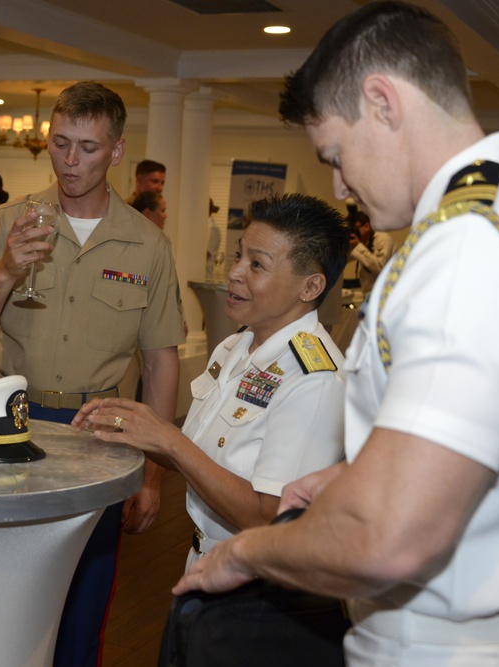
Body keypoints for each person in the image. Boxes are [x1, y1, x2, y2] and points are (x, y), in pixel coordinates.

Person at [174, 3, 499, 665]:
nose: (338, 184)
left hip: (439, 645)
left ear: (382, 101)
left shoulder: (464, 250)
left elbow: (391, 538)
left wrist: (244, 550)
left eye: (335, 153)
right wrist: (359, 475)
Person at [0, 81, 185, 667]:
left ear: (117, 152)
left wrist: (153, 477)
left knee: (85, 600)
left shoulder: (147, 245)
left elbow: (160, 360)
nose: (71, 160)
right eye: (60, 144)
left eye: (87, 146)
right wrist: (6, 269)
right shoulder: (6, 223)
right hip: (16, 428)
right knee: (6, 591)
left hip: (99, 435)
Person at [74, 193, 349, 663]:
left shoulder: (314, 379)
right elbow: (201, 454)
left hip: (262, 603)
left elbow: (270, 519)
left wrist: (171, 441)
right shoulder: (238, 346)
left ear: (310, 287)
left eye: (257, 264)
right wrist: (129, 426)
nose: (235, 272)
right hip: (204, 572)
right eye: (240, 254)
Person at [347, 210, 392, 292]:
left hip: (386, 293)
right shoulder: (362, 242)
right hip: (368, 292)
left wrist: (358, 246)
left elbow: (379, 268)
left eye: (356, 228)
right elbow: (342, 261)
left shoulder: (383, 239)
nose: (353, 232)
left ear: (367, 226)